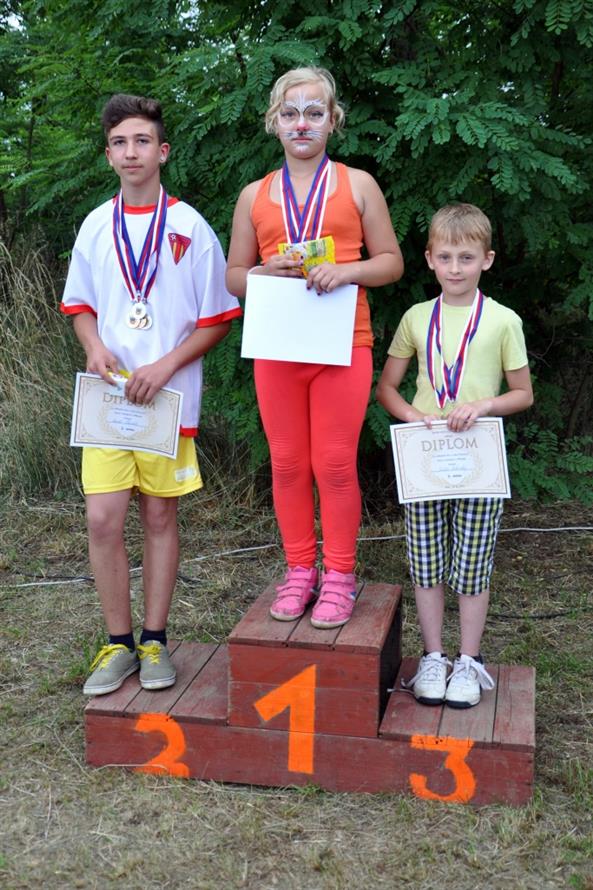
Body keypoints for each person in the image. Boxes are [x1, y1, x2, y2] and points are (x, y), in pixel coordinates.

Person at [61, 94, 242, 695]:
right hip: (109, 400)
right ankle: (117, 643)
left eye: (142, 141)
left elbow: (218, 318)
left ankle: (155, 639)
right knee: (102, 518)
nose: (131, 152)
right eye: (120, 143)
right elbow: (80, 305)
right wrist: (93, 346)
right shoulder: (96, 225)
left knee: (160, 515)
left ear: (162, 151)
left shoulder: (190, 227)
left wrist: (165, 365)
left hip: (167, 401)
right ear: (108, 155)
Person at [226, 67, 403, 629]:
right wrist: (263, 271)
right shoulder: (254, 195)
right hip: (278, 344)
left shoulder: (358, 185)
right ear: (274, 123)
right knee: (286, 463)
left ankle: (340, 575)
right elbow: (233, 277)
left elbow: (392, 263)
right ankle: (300, 569)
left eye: (314, 113)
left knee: (334, 463)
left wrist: (346, 271)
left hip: (342, 341)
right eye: (290, 113)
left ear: (333, 121)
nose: (301, 123)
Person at [376, 203, 533, 708]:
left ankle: (468, 660)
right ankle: (433, 656)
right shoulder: (416, 317)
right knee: (425, 561)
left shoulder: (504, 321)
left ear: (487, 259)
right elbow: (387, 388)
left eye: (466, 258)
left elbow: (523, 394)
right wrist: (413, 416)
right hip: (425, 457)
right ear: (429, 259)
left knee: (472, 563)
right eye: (445, 257)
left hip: (478, 460)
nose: (455, 268)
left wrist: (484, 405)